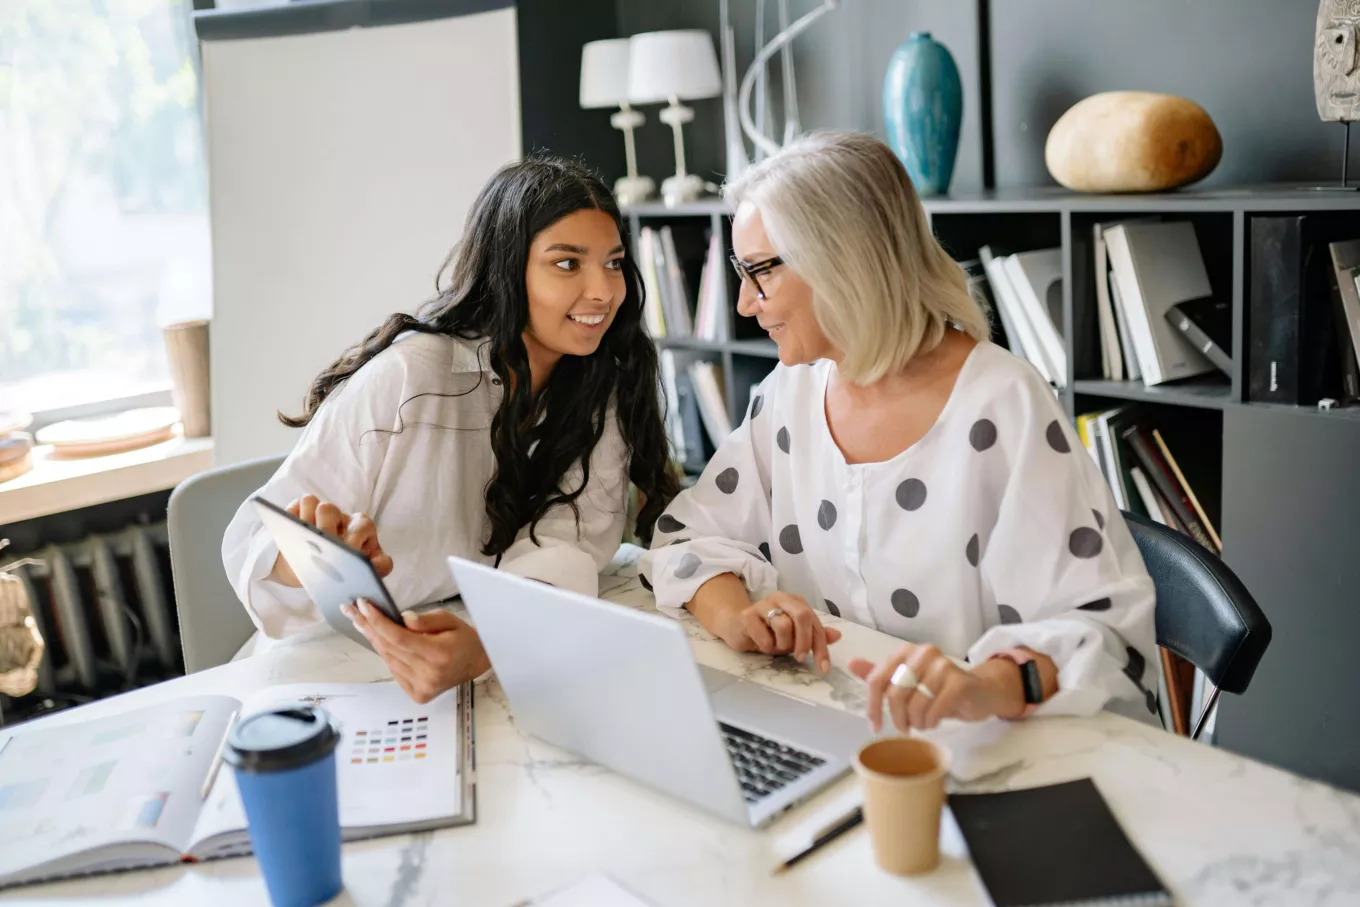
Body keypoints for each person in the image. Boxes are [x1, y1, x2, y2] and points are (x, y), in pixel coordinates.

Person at [639, 131, 1158, 734]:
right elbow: (688, 537)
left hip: (987, 749)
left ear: (839, 261)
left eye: (760, 273)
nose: (745, 304)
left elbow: (1101, 629)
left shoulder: (1001, 403)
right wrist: (740, 618)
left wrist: (980, 685)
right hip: (833, 728)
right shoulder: (789, 395)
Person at [224, 157, 677, 703]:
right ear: (508, 269)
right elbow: (252, 543)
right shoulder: (412, 375)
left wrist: (492, 644)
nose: (604, 291)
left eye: (613, 263)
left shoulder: (599, 386)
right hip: (330, 673)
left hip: (469, 648)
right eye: (567, 264)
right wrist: (317, 555)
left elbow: (566, 546)